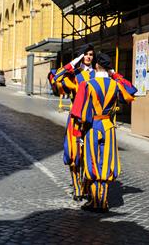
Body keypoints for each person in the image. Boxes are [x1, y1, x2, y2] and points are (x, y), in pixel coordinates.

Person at [70, 53, 137, 213]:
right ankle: (103, 201)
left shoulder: (88, 84)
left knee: (92, 162)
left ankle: (96, 202)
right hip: (108, 127)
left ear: (96, 66)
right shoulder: (115, 84)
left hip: (92, 127)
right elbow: (130, 90)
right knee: (106, 163)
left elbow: (79, 113)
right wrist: (114, 74)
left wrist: (78, 136)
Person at [53, 44, 96, 201]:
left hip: (91, 120)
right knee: (74, 154)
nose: (88, 57)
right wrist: (74, 62)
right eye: (85, 54)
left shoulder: (97, 74)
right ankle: (77, 188)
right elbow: (57, 78)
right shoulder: (74, 74)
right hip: (75, 120)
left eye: (91, 54)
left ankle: (85, 186)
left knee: (89, 154)